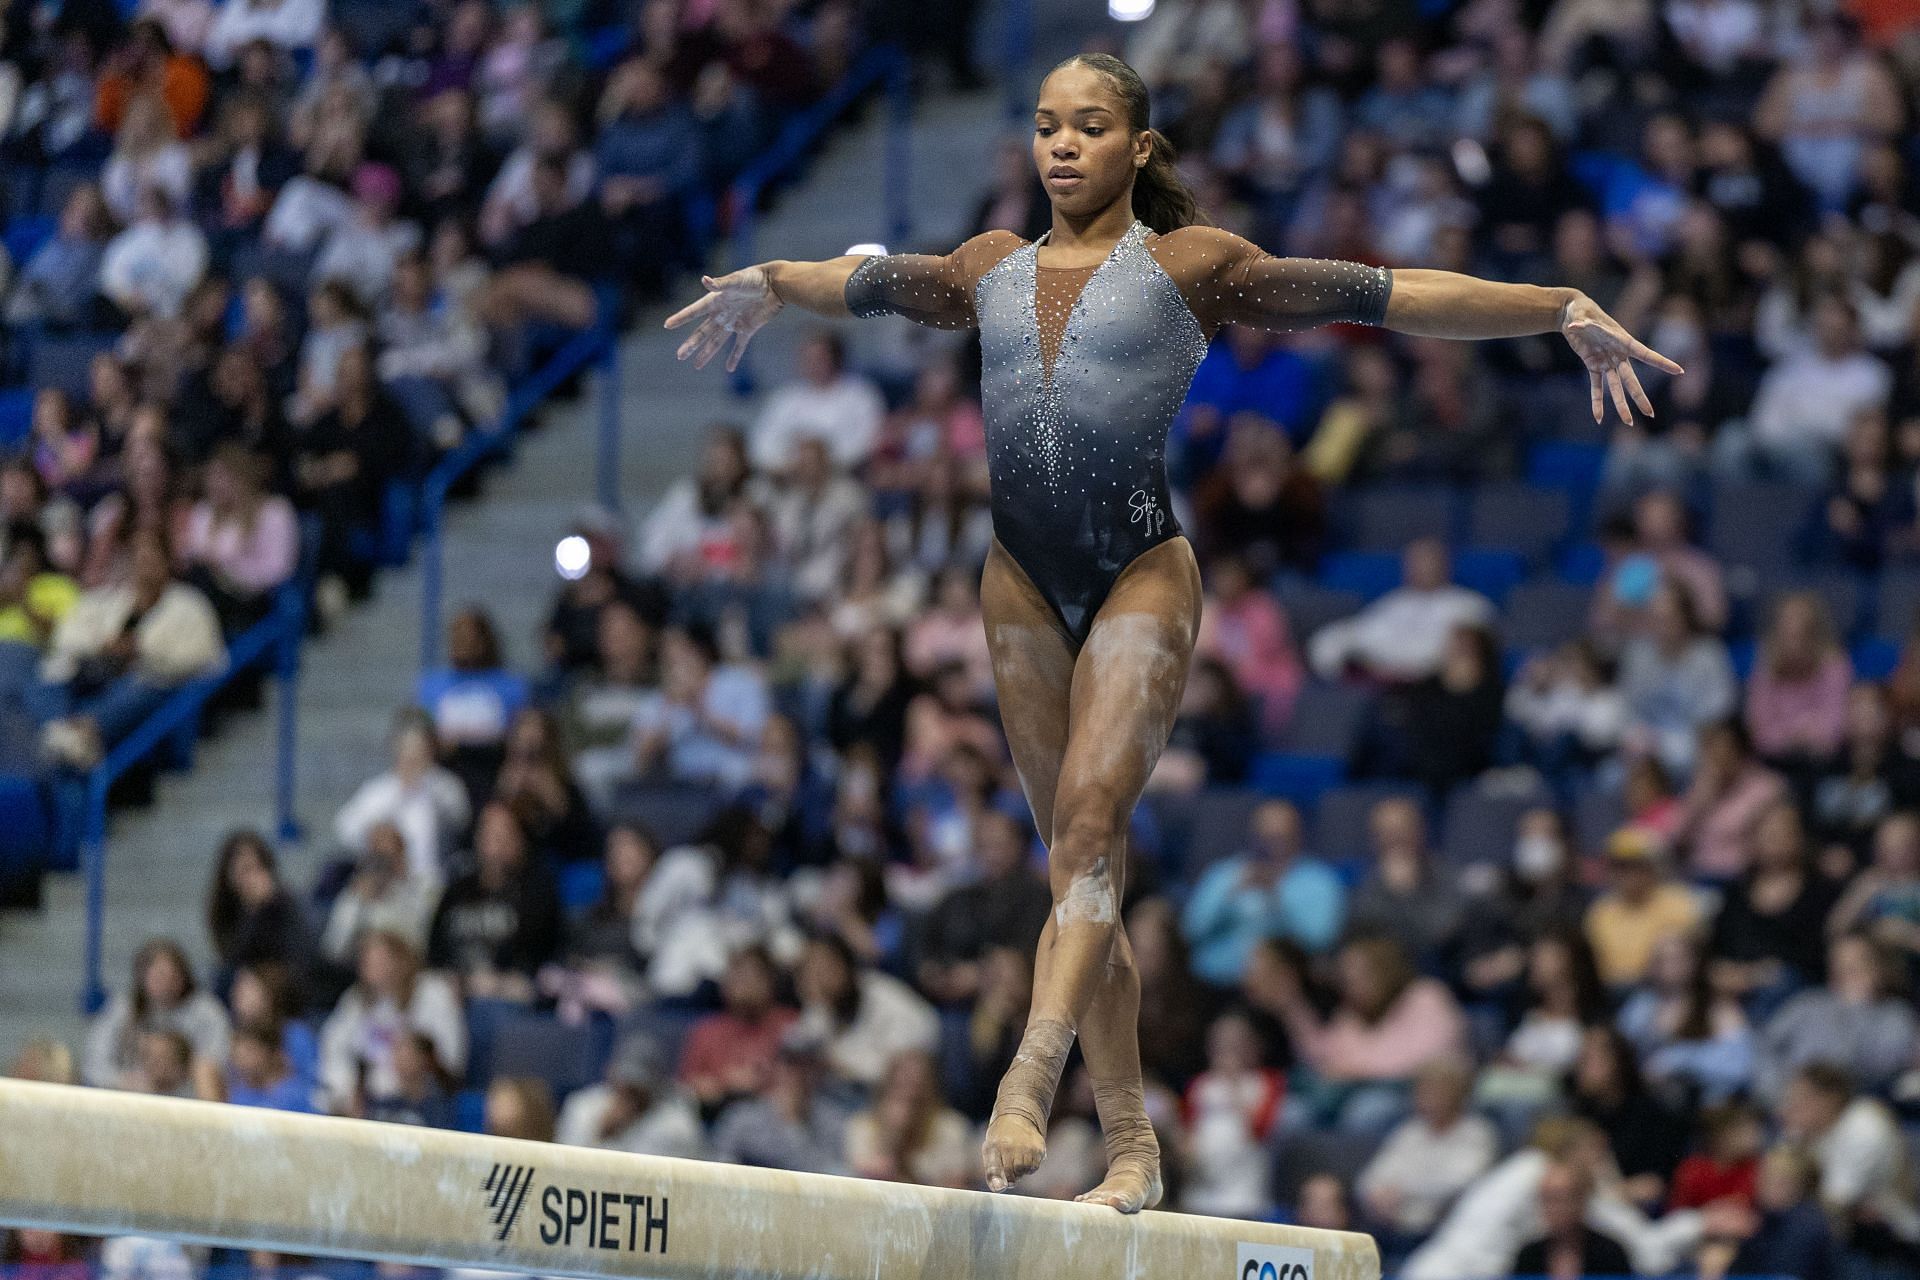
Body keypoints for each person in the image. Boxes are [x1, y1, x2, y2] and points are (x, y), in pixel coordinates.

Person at [667, 50, 1676, 1212]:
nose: (1059, 144)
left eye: (1088, 126)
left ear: (1138, 149)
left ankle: (1031, 1074)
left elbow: (1385, 291)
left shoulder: (1193, 266)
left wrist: (1553, 307)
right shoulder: (989, 267)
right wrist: (767, 281)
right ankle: (1134, 1143)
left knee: (1091, 829)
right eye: (1046, 124)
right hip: (1019, 588)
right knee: (1076, 870)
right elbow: (864, 282)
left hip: (1143, 576)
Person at [1179, 798, 1344, 984]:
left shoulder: (1318, 880)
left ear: (1298, 837)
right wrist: (1228, 898)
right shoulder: (1223, 874)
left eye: (1280, 838)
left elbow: (1321, 940)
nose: (1270, 847)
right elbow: (1190, 931)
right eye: (1264, 837)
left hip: (1288, 984)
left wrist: (1276, 898)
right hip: (1217, 982)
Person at [1308, 540, 1495, 684]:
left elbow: (1455, 658)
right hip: (1374, 683)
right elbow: (1347, 635)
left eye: (1428, 560)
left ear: (1445, 564)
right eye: (1414, 561)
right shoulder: (1392, 602)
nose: (1420, 567)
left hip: (1429, 690)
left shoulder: (1470, 606)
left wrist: (1388, 665)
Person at [1356, 1055, 1500, 1236]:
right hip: (1391, 1225)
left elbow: (1459, 1182)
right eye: (1423, 1090)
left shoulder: (1477, 1133)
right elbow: (1371, 1178)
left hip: (1443, 1229)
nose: (1426, 1097)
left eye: (1436, 1091)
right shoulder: (1410, 1131)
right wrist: (1377, 1193)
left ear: (1457, 1094)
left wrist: (1400, 1191)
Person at [82, 938, 231, 1087]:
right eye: (159, 976)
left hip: (188, 1090)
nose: (166, 983)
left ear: (184, 976)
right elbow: (94, 1060)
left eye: (173, 976)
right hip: (132, 1090)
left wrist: (183, 1077)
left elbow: (218, 1060)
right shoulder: (123, 1009)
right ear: (142, 978)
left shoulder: (206, 1011)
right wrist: (122, 1080)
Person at [556, 1032, 706, 1159]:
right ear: (611, 1071)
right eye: (625, 1079)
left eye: (638, 1085)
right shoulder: (583, 1106)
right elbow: (564, 1165)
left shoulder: (677, 1124)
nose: (630, 1089)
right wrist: (600, 1133)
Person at [1511, 1161, 1636, 1278]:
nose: (1553, 1208)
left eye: (1560, 1199)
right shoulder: (1528, 1256)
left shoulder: (1610, 1253)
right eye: (1547, 1200)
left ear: (1580, 1200)